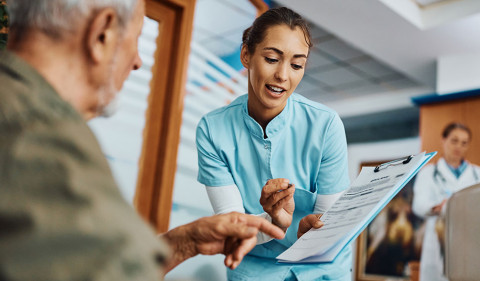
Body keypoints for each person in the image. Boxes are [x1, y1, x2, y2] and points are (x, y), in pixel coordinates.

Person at [0, 0, 286, 280]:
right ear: (102, 33)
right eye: (136, 38)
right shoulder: (39, 134)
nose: (137, 61)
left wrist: (182, 243)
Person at [196, 7, 352, 281]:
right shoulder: (213, 130)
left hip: (320, 270)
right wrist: (274, 221)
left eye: (296, 65)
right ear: (246, 55)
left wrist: (310, 231)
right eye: (271, 58)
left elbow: (330, 225)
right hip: (254, 271)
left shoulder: (326, 125)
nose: (283, 75)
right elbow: (232, 233)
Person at [412, 122, 480, 281]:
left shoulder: (479, 175)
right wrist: (436, 207)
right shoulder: (428, 173)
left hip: (471, 243)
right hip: (437, 242)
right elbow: (418, 205)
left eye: (464, 143)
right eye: (454, 141)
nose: (458, 147)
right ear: (443, 140)